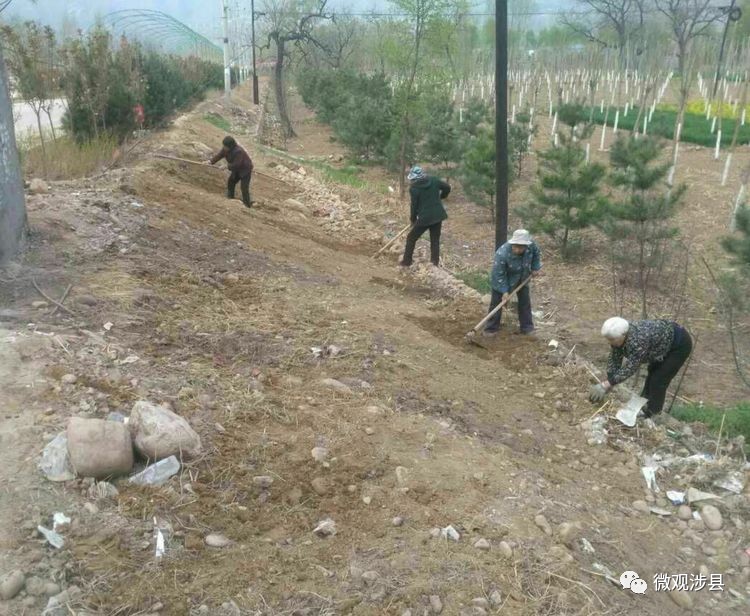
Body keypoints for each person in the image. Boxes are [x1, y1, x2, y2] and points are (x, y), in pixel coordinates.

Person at [589, 317, 693, 418]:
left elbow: (631, 367)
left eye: (611, 339)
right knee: (652, 371)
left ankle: (653, 413)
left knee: (658, 379)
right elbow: (615, 357)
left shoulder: (639, 339)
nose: (610, 342)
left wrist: (607, 384)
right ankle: (644, 404)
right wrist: (610, 379)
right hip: (660, 343)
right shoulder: (619, 337)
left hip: (679, 345)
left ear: (623, 335)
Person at [484, 229, 542, 335]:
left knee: (525, 302)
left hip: (522, 276)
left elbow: (536, 254)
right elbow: (498, 275)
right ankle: (491, 329)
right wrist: (505, 292)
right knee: (496, 303)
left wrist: (534, 268)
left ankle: (527, 328)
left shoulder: (531, 246)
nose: (517, 249)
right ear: (512, 243)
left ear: (526, 246)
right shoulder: (502, 254)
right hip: (502, 280)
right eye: (515, 246)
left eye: (521, 247)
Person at [400, 166, 450, 267]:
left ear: (415, 179)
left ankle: (406, 262)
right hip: (437, 215)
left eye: (413, 179)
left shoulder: (414, 189)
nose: (412, 181)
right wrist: (442, 196)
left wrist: (413, 220)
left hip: (425, 218)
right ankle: (434, 263)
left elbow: (414, 206)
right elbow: (447, 187)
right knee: (435, 240)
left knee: (411, 238)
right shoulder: (434, 180)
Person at [208, 136, 254, 208]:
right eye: (224, 146)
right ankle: (230, 199)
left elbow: (237, 164)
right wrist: (210, 162)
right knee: (231, 182)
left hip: (245, 170)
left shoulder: (239, 151)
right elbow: (219, 155)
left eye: (225, 146)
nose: (224, 148)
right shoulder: (225, 149)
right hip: (236, 169)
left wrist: (226, 166)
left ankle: (247, 205)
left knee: (244, 188)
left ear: (231, 146)